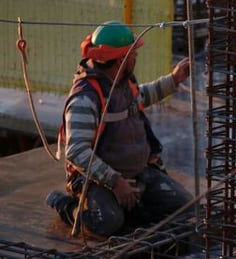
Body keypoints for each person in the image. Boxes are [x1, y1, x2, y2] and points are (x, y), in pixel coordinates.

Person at [46, 21, 194, 237]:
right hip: (100, 180)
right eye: (132, 54)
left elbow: (141, 96)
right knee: (107, 224)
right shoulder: (85, 98)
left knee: (183, 207)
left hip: (138, 172)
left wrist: (174, 80)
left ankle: (126, 206)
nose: (135, 57)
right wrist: (115, 181)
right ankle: (67, 206)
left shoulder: (122, 82)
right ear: (120, 60)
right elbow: (76, 151)